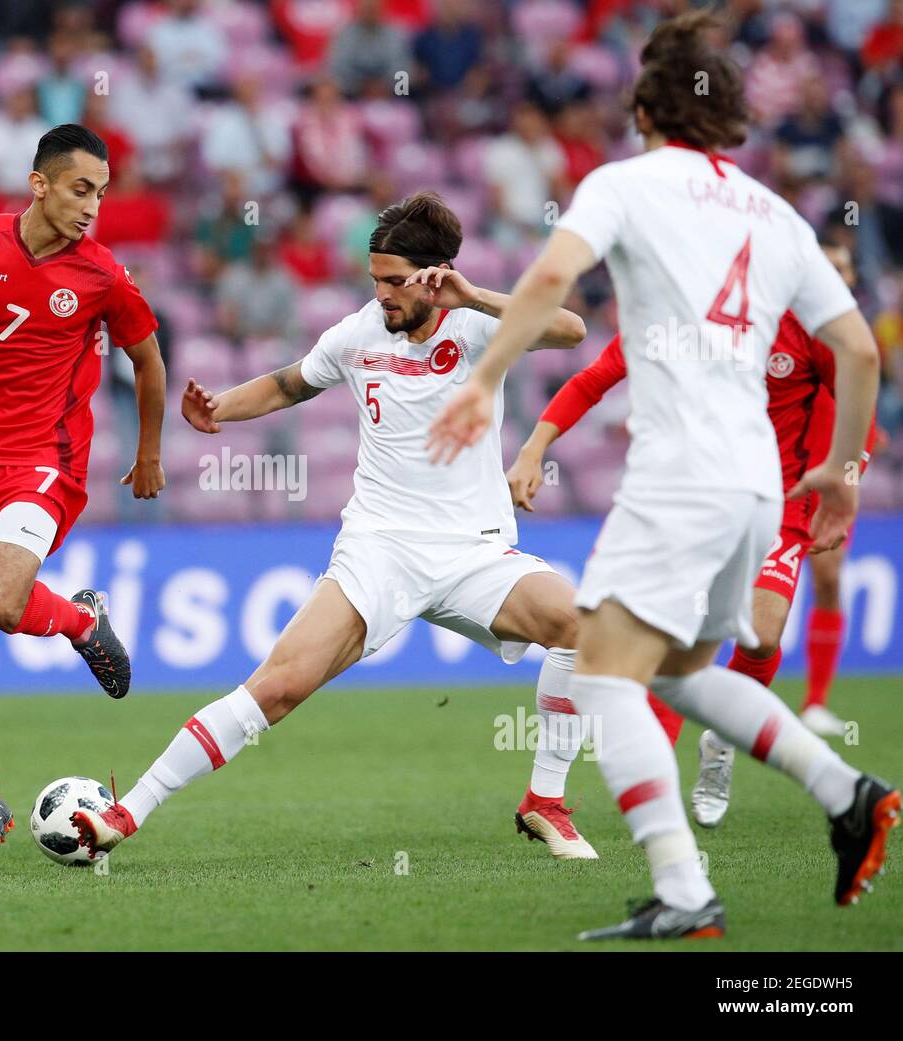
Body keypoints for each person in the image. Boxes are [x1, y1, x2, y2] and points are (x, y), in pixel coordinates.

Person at [428, 12, 896, 940]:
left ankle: (684, 889)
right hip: (761, 488)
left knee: (601, 670)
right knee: (677, 668)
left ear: (646, 104)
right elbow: (858, 350)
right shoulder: (776, 215)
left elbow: (553, 274)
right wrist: (841, 471)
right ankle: (852, 793)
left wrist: (485, 379)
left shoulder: (624, 184)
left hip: (680, 476)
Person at [73, 191, 608, 863]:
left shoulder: (473, 328)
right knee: (278, 687)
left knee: (583, 630)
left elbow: (568, 329)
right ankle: (127, 813)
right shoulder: (358, 333)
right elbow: (291, 383)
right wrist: (221, 409)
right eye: (374, 278)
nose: (380, 293)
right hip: (379, 548)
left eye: (393, 281)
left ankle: (545, 802)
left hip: (474, 553)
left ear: (434, 275)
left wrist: (472, 296)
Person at [506, 244, 878, 830]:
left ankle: (723, 743)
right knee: (672, 642)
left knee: (759, 637)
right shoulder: (670, 321)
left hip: (781, 504)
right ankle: (658, 802)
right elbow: (594, 379)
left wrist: (846, 480)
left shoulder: (802, 328)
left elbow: (861, 391)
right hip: (697, 502)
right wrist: (533, 447)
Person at [0, 124, 166, 854]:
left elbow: (148, 363)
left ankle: (82, 625)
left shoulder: (103, 276)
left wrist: (149, 451)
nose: (92, 206)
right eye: (80, 189)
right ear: (40, 184)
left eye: (101, 193)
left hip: (41, 462)